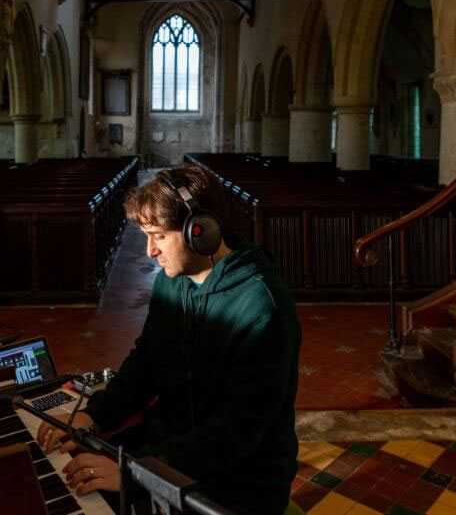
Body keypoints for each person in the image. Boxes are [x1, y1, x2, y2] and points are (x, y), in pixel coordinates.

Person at [37, 165, 301, 515]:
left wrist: (133, 473)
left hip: (238, 480)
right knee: (66, 472)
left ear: (200, 231)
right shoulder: (172, 281)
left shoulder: (262, 306)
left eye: (159, 236)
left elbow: (238, 431)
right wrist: (93, 416)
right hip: (173, 447)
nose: (150, 251)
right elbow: (147, 361)